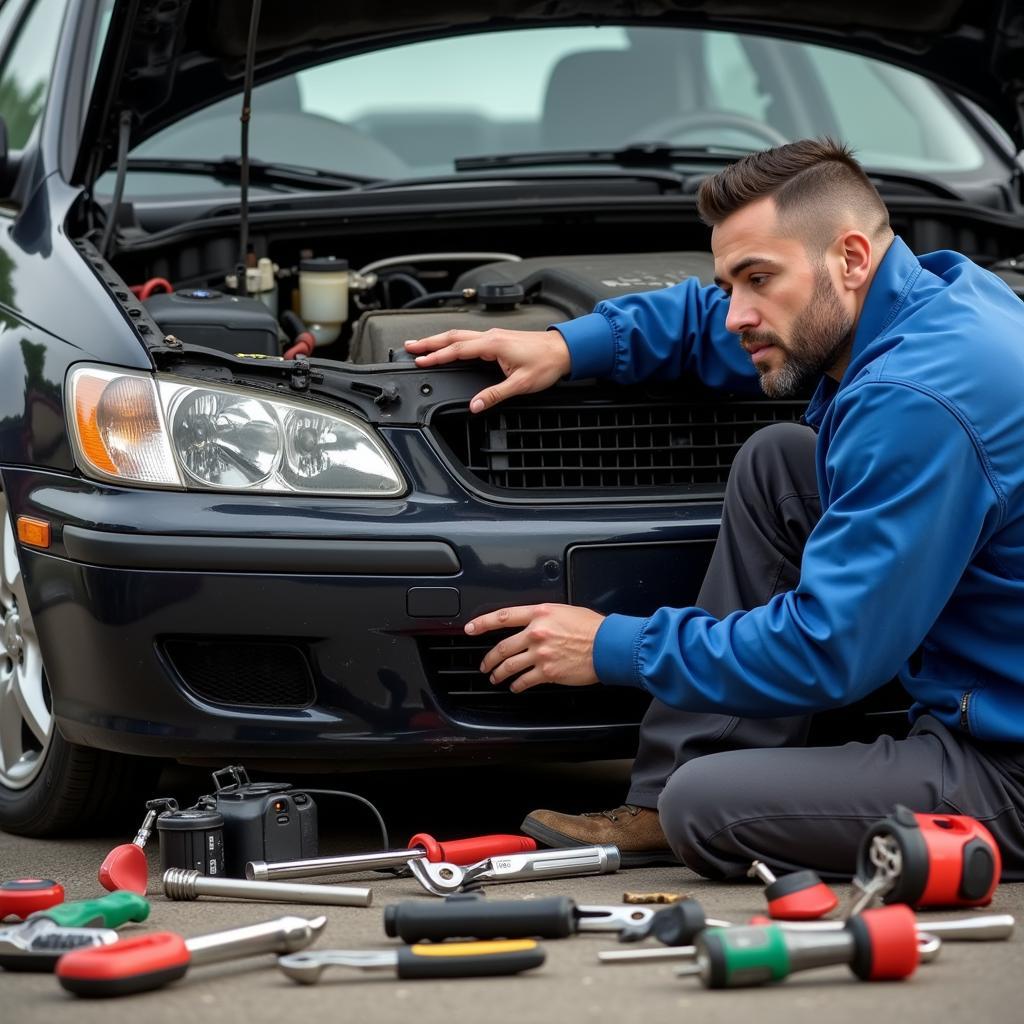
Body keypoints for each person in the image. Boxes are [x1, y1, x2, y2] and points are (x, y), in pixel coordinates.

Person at [404, 139, 1024, 880]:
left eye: (758, 279)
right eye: (732, 282)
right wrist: (567, 345)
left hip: (1006, 765)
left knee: (707, 806)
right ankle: (661, 797)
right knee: (780, 463)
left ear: (852, 259)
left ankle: (681, 801)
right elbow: (712, 321)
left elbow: (830, 650)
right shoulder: (944, 292)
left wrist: (610, 646)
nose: (739, 314)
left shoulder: (915, 403)